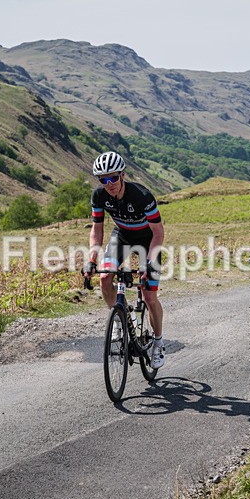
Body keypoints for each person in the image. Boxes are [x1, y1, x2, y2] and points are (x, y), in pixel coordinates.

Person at [83, 151, 166, 369]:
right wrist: (92, 259)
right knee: (104, 277)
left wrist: (148, 263)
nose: (109, 184)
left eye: (113, 178)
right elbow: (97, 230)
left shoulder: (142, 196)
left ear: (123, 175)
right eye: (103, 179)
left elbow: (158, 232)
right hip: (122, 236)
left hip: (148, 240)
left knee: (149, 296)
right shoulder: (99, 196)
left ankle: (158, 342)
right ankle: (118, 318)